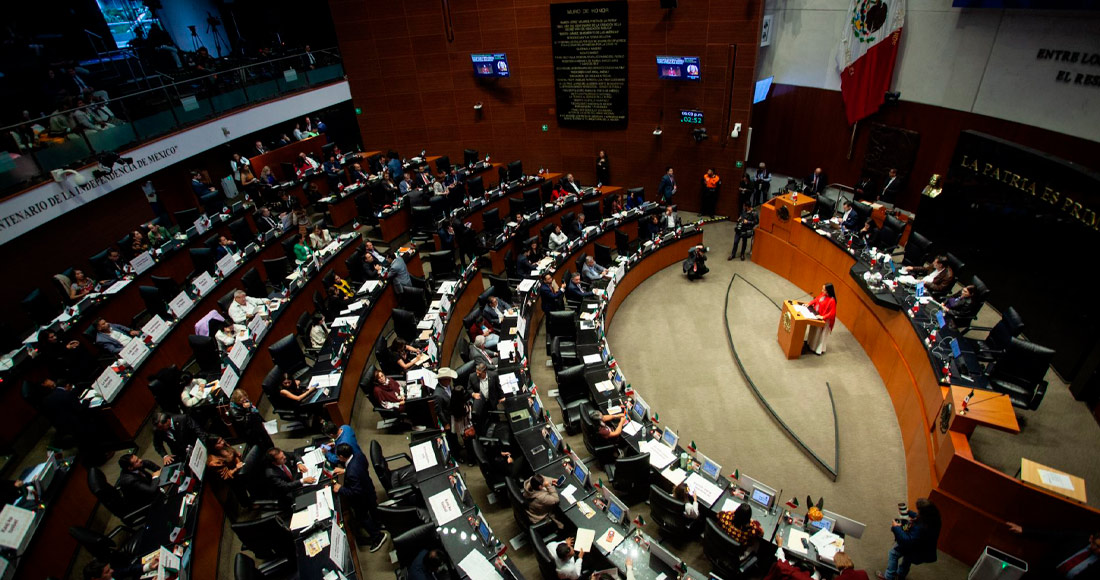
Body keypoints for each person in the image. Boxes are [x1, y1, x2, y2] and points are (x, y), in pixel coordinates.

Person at [333, 443, 389, 551]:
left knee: (362, 517)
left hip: (361, 499)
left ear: (341, 457)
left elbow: (355, 492)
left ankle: (378, 537)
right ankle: (378, 524)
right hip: (369, 488)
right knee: (373, 509)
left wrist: (340, 489)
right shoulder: (358, 455)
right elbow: (364, 466)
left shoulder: (351, 473)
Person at [1005, 521, 1100, 579]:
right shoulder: (1081, 537)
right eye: (1095, 544)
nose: (1096, 549)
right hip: (1042, 572)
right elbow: (1054, 534)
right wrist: (1025, 531)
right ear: (1091, 538)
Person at [878, 498, 941, 580]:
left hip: (913, 549)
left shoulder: (920, 528)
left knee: (893, 554)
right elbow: (921, 518)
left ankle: (889, 577)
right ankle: (901, 575)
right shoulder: (935, 520)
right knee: (907, 559)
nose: (917, 512)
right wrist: (909, 512)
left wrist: (896, 527)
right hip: (923, 549)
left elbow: (906, 540)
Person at [804, 283, 837, 355]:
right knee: (814, 331)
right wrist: (809, 303)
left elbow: (832, 313)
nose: (822, 290)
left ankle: (817, 349)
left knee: (819, 334)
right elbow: (817, 299)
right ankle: (810, 344)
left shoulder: (832, 300)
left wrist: (823, 317)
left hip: (824, 319)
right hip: (818, 315)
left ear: (828, 291)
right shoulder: (823, 294)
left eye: (824, 289)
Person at [83, 557, 159, 580]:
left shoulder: (111, 574)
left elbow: (128, 570)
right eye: (107, 571)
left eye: (110, 568)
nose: (112, 571)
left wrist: (149, 566)